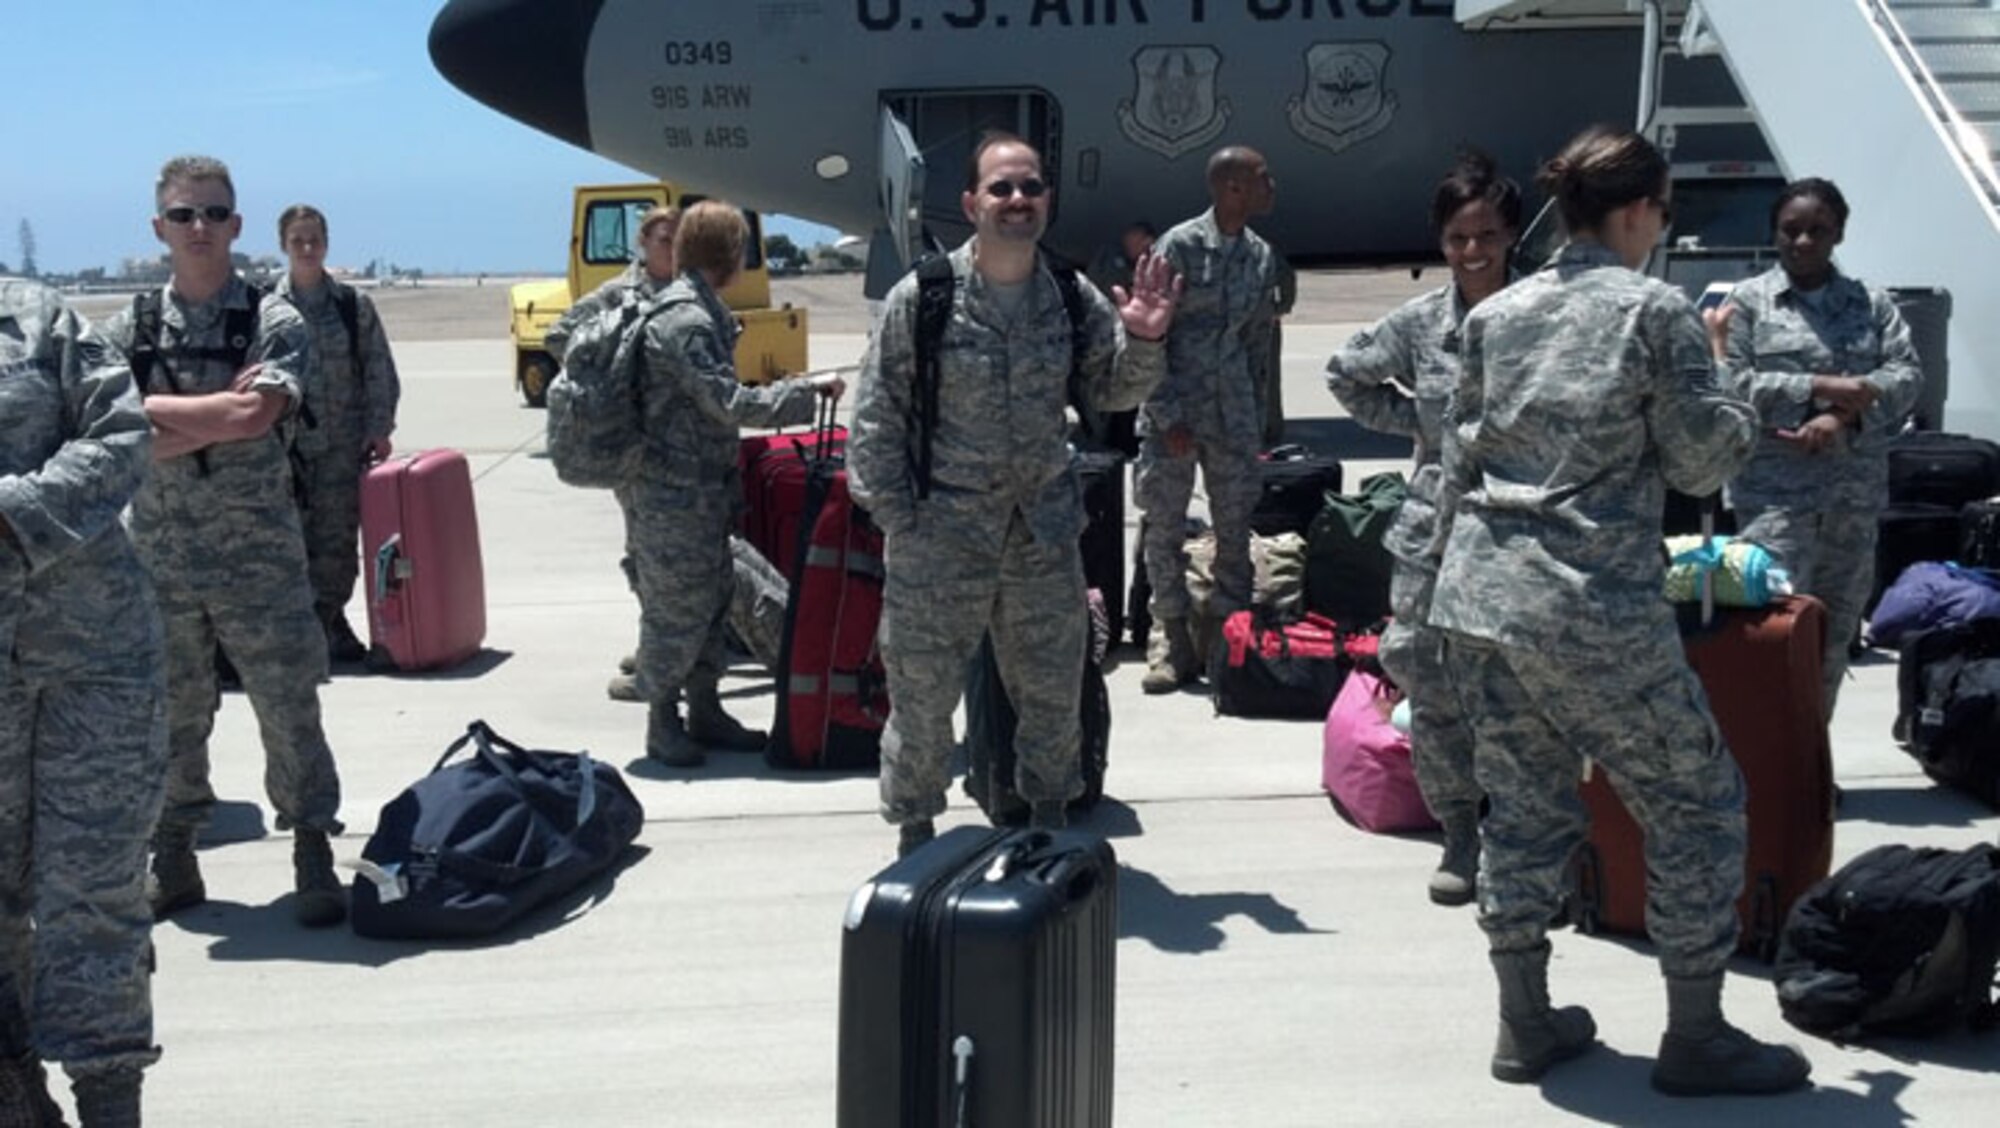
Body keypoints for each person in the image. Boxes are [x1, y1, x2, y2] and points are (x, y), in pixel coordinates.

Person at [1429, 125, 1809, 1095]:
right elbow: (1698, 460)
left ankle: (1525, 1022)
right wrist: (1719, 370)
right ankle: (1696, 1034)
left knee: (1519, 807)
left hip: (1481, 592)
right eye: (1662, 211)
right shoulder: (1657, 313)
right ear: (1638, 210)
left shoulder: (1496, 313)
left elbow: (1461, 454)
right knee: (1694, 804)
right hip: (1587, 601)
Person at [850, 132, 1181, 856]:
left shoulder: (1068, 295)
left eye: (1029, 187)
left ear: (1047, 201)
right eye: (1000, 189)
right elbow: (875, 415)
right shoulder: (927, 296)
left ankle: (1048, 831)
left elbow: (1110, 387)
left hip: (1041, 535)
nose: (1017, 200)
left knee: (1053, 697)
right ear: (971, 204)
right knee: (924, 700)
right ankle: (915, 837)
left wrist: (1147, 342)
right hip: (941, 539)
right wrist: (900, 520)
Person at [100, 155, 349, 929]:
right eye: (183, 216)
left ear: (237, 226)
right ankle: (173, 853)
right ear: (159, 228)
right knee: (170, 715)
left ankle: (311, 846)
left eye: (213, 214)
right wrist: (210, 411)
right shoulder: (129, 328)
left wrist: (159, 416)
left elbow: (256, 418)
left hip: (259, 555)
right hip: (161, 560)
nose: (199, 228)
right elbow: (116, 438)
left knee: (287, 704)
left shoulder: (273, 321)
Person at [1325, 151, 1520, 907]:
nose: (1474, 252)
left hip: (1516, 525)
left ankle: (1523, 833)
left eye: (1488, 236)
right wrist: (1419, 424)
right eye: (1459, 238)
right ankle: (1461, 832)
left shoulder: (1537, 318)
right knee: (1426, 675)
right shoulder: (1420, 325)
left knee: (1514, 686)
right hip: (1436, 526)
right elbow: (1347, 374)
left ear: (1510, 238)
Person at [0, 280, 165, 1127]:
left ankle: (111, 1101)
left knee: (95, 890)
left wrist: (15, 513)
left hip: (91, 659)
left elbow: (121, 435)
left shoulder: (39, 322)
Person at [627, 200, 844, 768]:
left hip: (701, 488)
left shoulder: (701, 310)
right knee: (675, 609)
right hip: (672, 494)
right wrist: (806, 393)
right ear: (727, 254)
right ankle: (661, 723)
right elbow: (728, 402)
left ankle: (704, 710)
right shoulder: (686, 320)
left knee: (712, 601)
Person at [1720, 178, 1921, 718]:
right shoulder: (1748, 305)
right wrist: (1815, 388)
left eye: (1817, 230)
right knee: (1770, 633)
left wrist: (1840, 417)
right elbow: (1729, 384)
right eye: (1791, 230)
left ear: (1839, 234)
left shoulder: (1870, 304)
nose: (1803, 241)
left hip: (1849, 505)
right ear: (1774, 232)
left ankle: (1812, 769)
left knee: (1831, 642)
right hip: (1773, 504)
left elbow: (1905, 377)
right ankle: (1769, 775)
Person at [1135, 145, 1277, 694]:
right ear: (1232, 188)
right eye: (1263, 177)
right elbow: (1150, 337)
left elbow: (1257, 340)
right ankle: (1169, 636)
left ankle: (1227, 634)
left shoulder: (1261, 255)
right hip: (1178, 413)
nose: (1273, 185)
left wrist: (1259, 417)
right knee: (1165, 527)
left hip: (1233, 414)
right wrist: (1166, 412)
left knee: (1236, 526)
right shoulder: (1179, 246)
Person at [275, 204, 402, 663]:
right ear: (283, 246)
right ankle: (302, 632)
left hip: (340, 448)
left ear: (326, 244)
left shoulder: (351, 306)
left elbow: (378, 370)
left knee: (337, 547)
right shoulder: (264, 308)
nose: (307, 249)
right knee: (288, 546)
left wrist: (378, 427)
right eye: (297, 241)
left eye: (314, 240)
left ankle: (329, 621)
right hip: (283, 452)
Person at [1264, 253, 1297, 449]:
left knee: (1268, 379)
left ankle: (1270, 431)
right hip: (1229, 326)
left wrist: (1281, 307)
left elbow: (1286, 276)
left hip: (1262, 324)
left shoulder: (1258, 249)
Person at [1086, 220, 1156, 297]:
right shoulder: (1108, 259)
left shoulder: (1156, 270)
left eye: (1135, 235)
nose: (1128, 241)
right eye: (1129, 236)